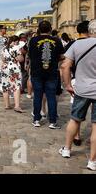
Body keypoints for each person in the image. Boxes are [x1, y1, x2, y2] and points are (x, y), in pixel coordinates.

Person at [59, 19, 96, 171]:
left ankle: (67, 149)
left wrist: (67, 84)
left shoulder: (77, 44)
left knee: (74, 119)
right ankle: (92, 161)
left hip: (81, 89)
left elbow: (65, 66)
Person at [28, 21, 65, 129]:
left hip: (37, 72)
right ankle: (53, 121)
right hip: (52, 72)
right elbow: (62, 56)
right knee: (51, 97)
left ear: (39, 29)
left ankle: (36, 120)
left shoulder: (33, 40)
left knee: (37, 97)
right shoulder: (56, 40)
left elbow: (30, 55)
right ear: (50, 29)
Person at [0, 36, 25, 113]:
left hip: (5, 67)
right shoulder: (16, 48)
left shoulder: (4, 48)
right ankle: (17, 106)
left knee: (5, 86)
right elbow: (20, 59)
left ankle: (7, 105)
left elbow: (3, 59)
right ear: (15, 41)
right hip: (14, 68)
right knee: (16, 86)